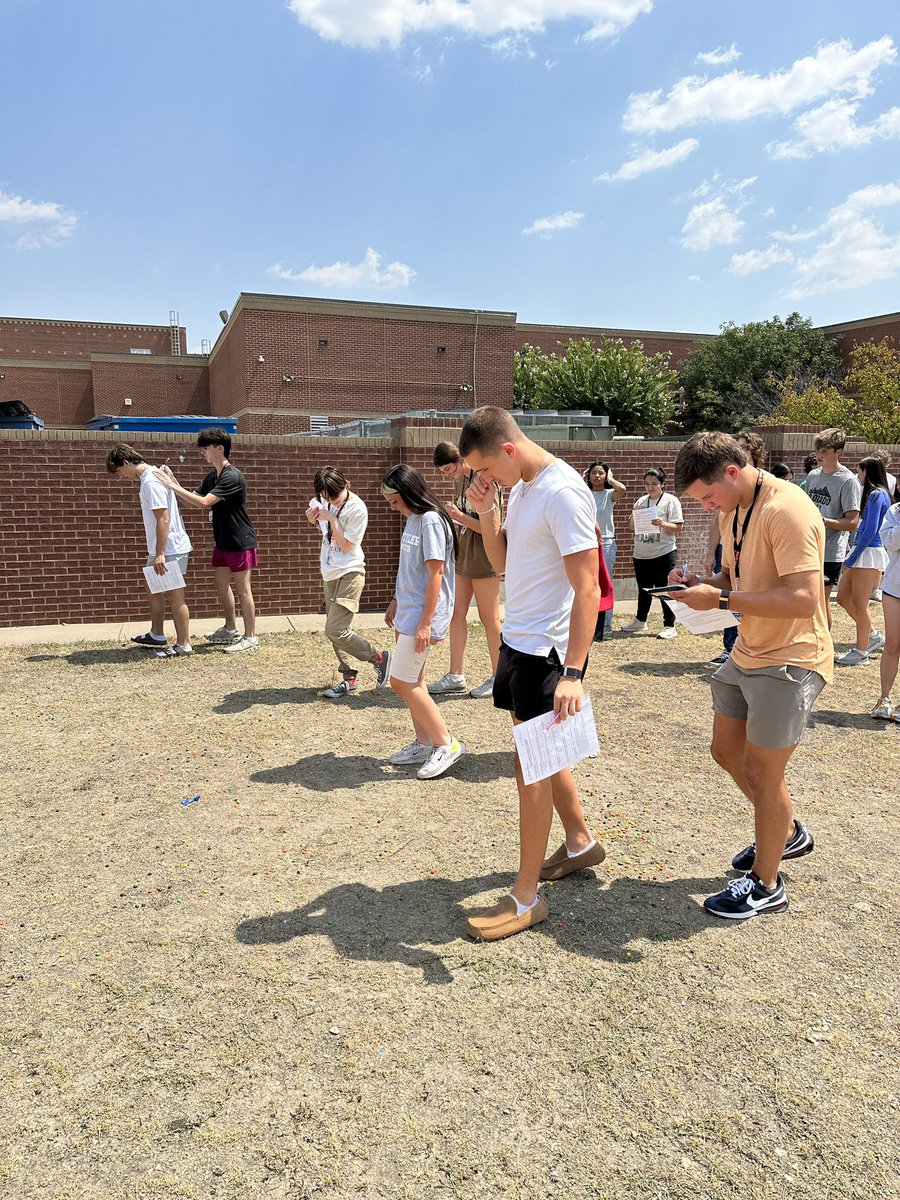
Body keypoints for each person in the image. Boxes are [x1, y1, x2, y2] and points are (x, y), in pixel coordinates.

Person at [669, 432, 832, 920]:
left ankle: (766, 883)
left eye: (708, 495)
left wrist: (720, 601)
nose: (706, 506)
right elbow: (738, 580)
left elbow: (805, 599)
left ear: (733, 472)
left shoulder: (788, 510)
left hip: (790, 657)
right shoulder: (734, 507)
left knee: (764, 772)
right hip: (749, 650)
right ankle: (785, 831)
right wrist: (702, 585)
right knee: (726, 751)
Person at [457, 407, 605, 942]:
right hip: (518, 644)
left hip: (547, 654)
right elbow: (504, 562)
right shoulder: (520, 489)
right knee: (535, 752)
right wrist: (488, 511)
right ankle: (580, 842)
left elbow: (587, 587)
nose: (484, 478)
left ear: (509, 449)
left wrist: (574, 671)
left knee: (531, 769)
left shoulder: (562, 492)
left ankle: (526, 897)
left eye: (486, 469)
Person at [381, 464, 465, 780]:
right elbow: (410, 570)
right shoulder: (415, 519)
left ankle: (446, 743)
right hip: (410, 611)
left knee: (401, 681)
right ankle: (424, 741)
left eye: (394, 501)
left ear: (408, 493)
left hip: (421, 616)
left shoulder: (430, 521)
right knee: (413, 680)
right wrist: (395, 600)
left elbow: (436, 574)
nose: (393, 507)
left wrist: (426, 623)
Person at [157, 428, 260, 653]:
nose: (202, 451)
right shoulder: (213, 476)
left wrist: (171, 485)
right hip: (222, 541)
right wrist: (173, 480)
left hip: (240, 540)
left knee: (243, 589)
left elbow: (205, 503)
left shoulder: (232, 476)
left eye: (206, 447)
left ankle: (251, 637)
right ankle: (230, 629)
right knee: (221, 585)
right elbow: (193, 499)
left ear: (219, 449)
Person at [304, 466, 392, 699]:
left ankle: (379, 658)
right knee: (334, 631)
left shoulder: (356, 508)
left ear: (345, 485)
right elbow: (324, 532)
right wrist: (313, 520)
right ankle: (348, 677)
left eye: (334, 495)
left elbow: (346, 545)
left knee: (335, 629)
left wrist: (332, 517)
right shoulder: (322, 501)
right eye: (325, 497)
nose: (330, 500)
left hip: (351, 572)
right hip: (330, 572)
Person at [427, 441, 503, 699]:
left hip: (486, 554)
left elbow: (490, 527)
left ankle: (499, 675)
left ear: (460, 459)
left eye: (448, 469)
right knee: (456, 614)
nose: (448, 475)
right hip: (465, 553)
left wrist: (459, 516)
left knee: (489, 618)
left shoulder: (485, 480)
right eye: (444, 472)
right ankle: (455, 674)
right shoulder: (460, 480)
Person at [106, 444, 193, 658]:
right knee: (153, 586)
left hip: (169, 547)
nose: (122, 477)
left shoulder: (151, 481)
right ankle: (157, 634)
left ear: (126, 463)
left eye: (119, 472)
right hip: (162, 547)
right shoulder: (152, 476)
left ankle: (184, 644)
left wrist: (160, 554)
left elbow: (163, 518)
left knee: (174, 595)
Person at [705, 431, 767, 664]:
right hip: (731, 550)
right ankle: (731, 647)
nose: (737, 451)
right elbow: (717, 520)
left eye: (742, 447)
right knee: (731, 595)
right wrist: (700, 578)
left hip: (754, 553)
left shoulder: (770, 494)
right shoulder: (725, 498)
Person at [835, 456, 892, 666]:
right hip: (861, 551)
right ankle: (872, 635)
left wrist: (852, 557)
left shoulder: (878, 494)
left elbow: (870, 530)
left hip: (868, 553)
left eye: (859, 471)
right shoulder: (874, 494)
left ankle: (861, 651)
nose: (857, 475)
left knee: (860, 603)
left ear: (867, 472)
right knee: (843, 597)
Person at [803, 428, 861, 627]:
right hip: (808, 548)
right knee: (805, 602)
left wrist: (824, 521)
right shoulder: (812, 476)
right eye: (818, 449)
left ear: (839, 452)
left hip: (829, 552)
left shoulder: (848, 481)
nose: (819, 454)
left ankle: (823, 650)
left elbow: (853, 523)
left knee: (820, 602)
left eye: (825, 450)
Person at [622, 467, 684, 639]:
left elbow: (678, 527)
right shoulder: (641, 502)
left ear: (662, 484)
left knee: (664, 588)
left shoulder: (671, 501)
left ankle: (670, 625)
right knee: (643, 588)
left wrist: (662, 524)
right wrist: (634, 516)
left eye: (654, 484)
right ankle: (641, 620)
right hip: (641, 552)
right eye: (647, 484)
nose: (650, 488)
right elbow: (630, 527)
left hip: (664, 551)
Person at [583, 461, 626, 635]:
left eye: (601, 473)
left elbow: (622, 489)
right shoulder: (584, 493)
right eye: (594, 473)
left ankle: (606, 623)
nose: (597, 476)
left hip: (606, 542)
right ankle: (589, 620)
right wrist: (581, 478)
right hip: (586, 541)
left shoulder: (609, 495)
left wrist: (611, 478)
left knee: (605, 582)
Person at [870, 500, 900, 720]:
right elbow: (889, 541)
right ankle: (884, 698)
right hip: (894, 586)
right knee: (892, 643)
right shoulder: (895, 510)